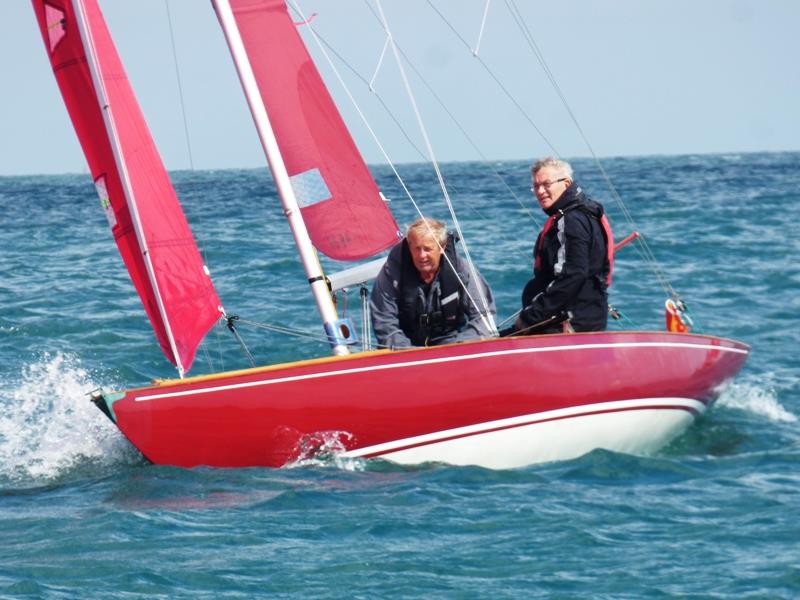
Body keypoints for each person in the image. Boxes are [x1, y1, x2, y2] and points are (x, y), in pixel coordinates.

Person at [514, 157, 612, 334]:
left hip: (569, 323)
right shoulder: (580, 214)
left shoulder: (570, 220)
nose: (540, 191)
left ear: (566, 184)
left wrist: (532, 316)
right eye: (536, 186)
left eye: (546, 184)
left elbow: (573, 274)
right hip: (583, 317)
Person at [370, 217, 496, 348]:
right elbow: (384, 322)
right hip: (403, 346)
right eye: (417, 248)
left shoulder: (460, 270)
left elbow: (484, 316)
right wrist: (409, 352)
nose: (421, 255)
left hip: (450, 343)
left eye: (427, 249)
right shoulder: (393, 272)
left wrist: (459, 345)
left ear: (442, 247)